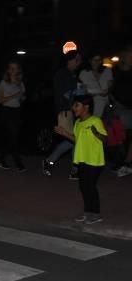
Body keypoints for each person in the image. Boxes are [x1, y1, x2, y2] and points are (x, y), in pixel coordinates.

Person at [53, 95, 107, 225]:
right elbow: (77, 140)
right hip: (82, 159)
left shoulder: (95, 120)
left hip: (94, 161)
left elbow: (105, 139)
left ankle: (96, 214)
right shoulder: (78, 123)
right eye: (73, 105)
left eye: (76, 105)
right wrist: (64, 133)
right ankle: (88, 212)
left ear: (86, 107)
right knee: (83, 187)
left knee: (90, 187)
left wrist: (96, 133)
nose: (73, 108)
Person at [43, 51, 82, 178]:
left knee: (73, 140)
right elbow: (66, 94)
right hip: (64, 112)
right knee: (73, 140)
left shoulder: (70, 74)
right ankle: (52, 162)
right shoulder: (63, 74)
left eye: (79, 60)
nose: (78, 62)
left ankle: (72, 168)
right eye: (76, 60)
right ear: (69, 60)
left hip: (71, 112)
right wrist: (81, 91)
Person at [0, 59, 26, 172]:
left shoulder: (20, 82)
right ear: (8, 70)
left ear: (18, 69)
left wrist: (22, 97)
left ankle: (1, 159)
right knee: (13, 136)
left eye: (15, 68)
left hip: (17, 111)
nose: (13, 70)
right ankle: (18, 163)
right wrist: (15, 95)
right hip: (6, 111)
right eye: (11, 68)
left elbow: (22, 97)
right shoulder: (3, 82)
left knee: (12, 137)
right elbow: (0, 100)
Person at [111, 46, 132, 177]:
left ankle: (127, 163)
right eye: (130, 56)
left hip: (129, 107)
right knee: (120, 137)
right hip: (120, 107)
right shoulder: (115, 72)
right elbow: (111, 88)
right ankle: (122, 162)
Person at [79, 54, 113, 119]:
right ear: (90, 61)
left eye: (99, 60)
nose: (97, 62)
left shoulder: (107, 71)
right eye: (94, 60)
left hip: (107, 105)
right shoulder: (84, 73)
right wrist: (99, 92)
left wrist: (107, 91)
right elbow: (82, 90)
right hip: (92, 105)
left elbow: (110, 87)